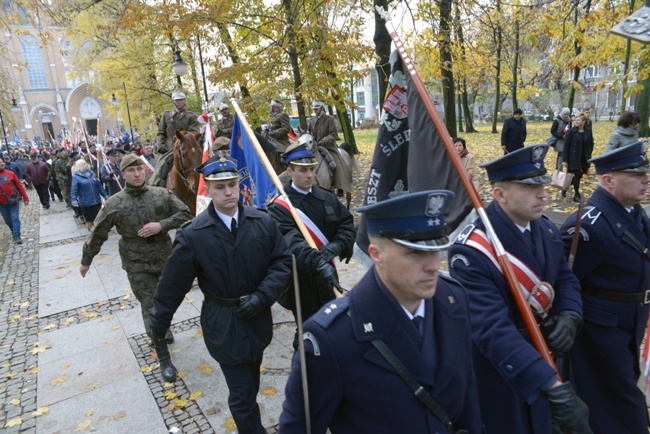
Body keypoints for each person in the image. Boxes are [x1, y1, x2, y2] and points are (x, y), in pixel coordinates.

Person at [279, 190, 482, 433]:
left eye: (436, 249)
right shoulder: (332, 337)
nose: (432, 265)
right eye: (415, 252)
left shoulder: (453, 299)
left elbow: (468, 394)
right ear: (377, 255)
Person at [448, 145, 591, 434]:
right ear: (499, 195)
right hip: (505, 371)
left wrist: (570, 315)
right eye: (529, 187)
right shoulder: (472, 250)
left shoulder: (546, 230)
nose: (543, 193)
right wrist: (548, 384)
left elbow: (566, 280)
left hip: (546, 355)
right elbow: (492, 329)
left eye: (541, 183)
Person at [149, 154, 292, 434]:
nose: (228, 192)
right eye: (220, 187)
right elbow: (172, 283)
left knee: (250, 382)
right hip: (224, 322)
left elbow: (282, 261)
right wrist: (159, 322)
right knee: (241, 395)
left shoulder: (262, 222)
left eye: (232, 184)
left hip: (258, 318)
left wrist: (264, 296)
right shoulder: (194, 234)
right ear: (208, 190)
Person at [559, 141, 650, 433]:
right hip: (599, 333)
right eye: (636, 174)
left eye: (645, 172)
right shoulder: (588, 226)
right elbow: (564, 282)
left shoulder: (633, 211)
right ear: (608, 180)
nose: (646, 178)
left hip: (628, 322)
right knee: (620, 405)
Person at [79, 154, 191, 342]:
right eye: (131, 170)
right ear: (123, 174)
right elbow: (98, 233)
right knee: (149, 304)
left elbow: (185, 214)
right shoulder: (115, 203)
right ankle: (158, 341)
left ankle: (163, 328)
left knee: (166, 300)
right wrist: (86, 261)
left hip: (164, 256)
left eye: (139, 169)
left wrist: (161, 225)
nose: (137, 174)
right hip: (136, 261)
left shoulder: (161, 194)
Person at [267, 142, 355, 345]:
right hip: (301, 283)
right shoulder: (280, 208)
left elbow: (346, 224)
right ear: (289, 171)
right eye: (302, 170)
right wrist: (318, 262)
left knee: (334, 327)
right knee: (309, 332)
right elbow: (292, 243)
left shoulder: (327, 197)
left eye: (312, 169)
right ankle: (304, 369)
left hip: (328, 278)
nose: (309, 175)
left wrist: (337, 246)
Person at [307, 99, 346, 192]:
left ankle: (340, 186)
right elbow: (309, 134)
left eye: (317, 109)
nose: (315, 110)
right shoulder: (312, 120)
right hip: (315, 147)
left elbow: (334, 134)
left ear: (322, 108)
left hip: (328, 146)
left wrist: (324, 141)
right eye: (314, 109)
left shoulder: (330, 119)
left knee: (336, 163)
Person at [155, 90, 200, 154]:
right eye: (177, 100)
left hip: (187, 148)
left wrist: (183, 138)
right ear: (173, 101)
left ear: (185, 101)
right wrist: (160, 145)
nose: (179, 102)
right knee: (161, 163)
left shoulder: (191, 116)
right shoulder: (166, 115)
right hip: (170, 149)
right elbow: (161, 133)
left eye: (181, 100)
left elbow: (194, 132)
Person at [562, 112, 594, 202]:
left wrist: (589, 153)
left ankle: (565, 187)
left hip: (584, 157)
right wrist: (565, 160)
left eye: (578, 120)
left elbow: (591, 143)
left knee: (579, 176)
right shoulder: (571, 132)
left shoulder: (588, 130)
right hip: (573, 157)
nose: (576, 121)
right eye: (575, 120)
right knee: (577, 175)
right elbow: (566, 146)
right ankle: (576, 194)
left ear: (583, 121)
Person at [71, 159, 108, 230]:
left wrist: (105, 195)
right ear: (80, 166)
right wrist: (74, 199)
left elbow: (99, 187)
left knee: (99, 218)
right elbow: (74, 189)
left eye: (86, 163)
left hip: (96, 201)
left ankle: (99, 231)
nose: (87, 164)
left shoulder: (92, 174)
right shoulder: (76, 177)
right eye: (84, 164)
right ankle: (92, 232)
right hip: (86, 203)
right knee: (89, 220)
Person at [0, 158, 29, 244]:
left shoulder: (10, 174)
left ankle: (17, 236)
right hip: (1, 204)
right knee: (7, 220)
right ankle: (14, 232)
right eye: (0, 162)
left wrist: (25, 198)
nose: (2, 163)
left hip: (13, 200)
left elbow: (19, 186)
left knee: (14, 217)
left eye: (2, 161)